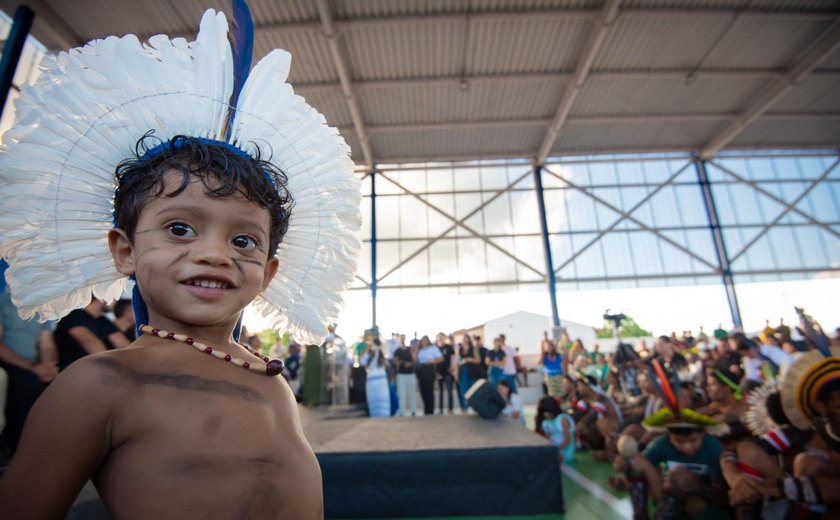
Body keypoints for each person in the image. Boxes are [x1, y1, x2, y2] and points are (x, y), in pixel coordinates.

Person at [0, 5, 360, 517]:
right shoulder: (99, 385)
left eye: (244, 241)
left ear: (269, 273)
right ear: (124, 250)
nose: (214, 253)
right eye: (179, 228)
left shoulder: (271, 379)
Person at [0, 286, 59, 453]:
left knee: (63, 380)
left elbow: (46, 345)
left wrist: (49, 367)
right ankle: (18, 447)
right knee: (27, 382)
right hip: (9, 364)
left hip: (33, 366)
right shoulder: (2, 303)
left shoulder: (41, 309)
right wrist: (33, 368)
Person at [535, 396, 575, 463]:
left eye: (546, 411)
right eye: (543, 412)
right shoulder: (546, 422)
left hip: (564, 450)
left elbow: (567, 440)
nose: (545, 414)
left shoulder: (562, 419)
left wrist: (556, 450)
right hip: (554, 448)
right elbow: (547, 438)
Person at [415, 335, 442, 416]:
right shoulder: (420, 350)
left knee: (429, 391)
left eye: (425, 340)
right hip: (421, 370)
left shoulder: (433, 348)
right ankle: (426, 409)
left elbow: (441, 358)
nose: (424, 342)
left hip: (429, 369)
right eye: (422, 341)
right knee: (423, 390)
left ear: (428, 341)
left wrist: (431, 360)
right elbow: (416, 360)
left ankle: (430, 410)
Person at [364, 339, 390, 417]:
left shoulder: (372, 351)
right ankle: (384, 414)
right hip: (381, 377)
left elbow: (363, 361)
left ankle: (376, 414)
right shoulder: (382, 351)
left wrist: (365, 351)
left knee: (374, 396)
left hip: (373, 377)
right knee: (382, 396)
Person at [393, 336, 418, 416]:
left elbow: (415, 360)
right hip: (401, 374)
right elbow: (395, 362)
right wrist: (401, 363)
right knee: (401, 394)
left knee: (412, 393)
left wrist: (409, 363)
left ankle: (413, 411)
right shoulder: (397, 351)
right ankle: (402, 412)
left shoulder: (410, 349)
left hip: (411, 374)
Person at [457, 334, 481, 411]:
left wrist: (469, 359)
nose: (465, 340)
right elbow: (457, 362)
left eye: (466, 338)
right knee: (463, 389)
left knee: (472, 389)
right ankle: (465, 406)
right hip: (462, 371)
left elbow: (478, 360)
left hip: (471, 371)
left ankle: (473, 406)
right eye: (463, 338)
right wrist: (456, 373)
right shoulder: (459, 349)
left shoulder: (473, 348)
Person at [435, 333, 456, 415]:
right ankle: (440, 409)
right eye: (439, 337)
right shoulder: (435, 348)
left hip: (448, 372)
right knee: (440, 391)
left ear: (444, 338)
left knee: (450, 391)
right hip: (439, 373)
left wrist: (452, 367)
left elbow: (453, 358)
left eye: (442, 337)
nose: (440, 338)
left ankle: (451, 409)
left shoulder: (449, 347)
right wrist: (435, 372)